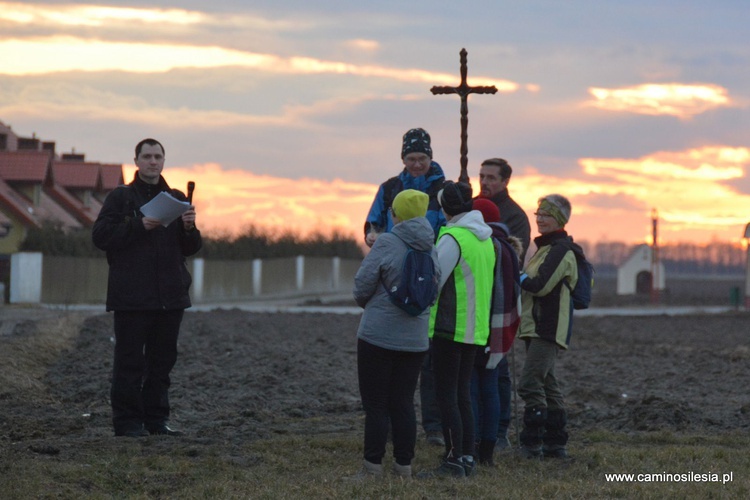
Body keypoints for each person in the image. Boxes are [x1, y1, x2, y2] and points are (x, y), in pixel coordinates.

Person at [92, 138, 202, 438]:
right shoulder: (121, 198)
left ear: (164, 161)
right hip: (131, 298)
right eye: (147, 156)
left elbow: (189, 248)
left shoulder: (177, 198)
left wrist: (190, 228)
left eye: (158, 157)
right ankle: (127, 423)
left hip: (170, 297)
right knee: (129, 363)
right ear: (137, 161)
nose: (153, 162)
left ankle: (157, 421)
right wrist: (140, 225)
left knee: (162, 364)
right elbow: (100, 236)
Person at [363, 127, 446, 447]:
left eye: (421, 158)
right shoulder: (389, 188)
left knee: (428, 357)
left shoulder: (443, 188)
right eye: (411, 158)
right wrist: (371, 235)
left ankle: (434, 425)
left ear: (430, 157)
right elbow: (372, 222)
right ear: (403, 158)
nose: (416, 164)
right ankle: (390, 420)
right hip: (394, 273)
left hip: (430, 273)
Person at [350, 189, 440, 479]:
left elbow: (361, 287)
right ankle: (404, 466)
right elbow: (433, 293)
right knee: (403, 402)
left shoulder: (387, 241)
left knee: (376, 404)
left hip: (377, 337)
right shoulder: (431, 246)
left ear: (396, 214)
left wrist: (375, 306)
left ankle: (372, 467)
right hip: (415, 341)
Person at [418, 182, 495, 479]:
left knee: (447, 395)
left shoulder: (453, 237)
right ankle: (466, 458)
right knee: (463, 394)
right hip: (475, 329)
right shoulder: (484, 238)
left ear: (445, 208)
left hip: (450, 327)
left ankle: (453, 462)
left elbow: (434, 279)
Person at [516, 194, 581, 459]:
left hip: (548, 328)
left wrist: (515, 274)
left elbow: (540, 285)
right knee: (549, 384)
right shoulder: (543, 248)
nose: (540, 219)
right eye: (538, 213)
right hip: (537, 326)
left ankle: (532, 443)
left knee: (530, 383)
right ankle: (556, 444)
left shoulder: (560, 250)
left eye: (547, 214)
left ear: (560, 220)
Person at [475, 157, 530, 452]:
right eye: (481, 176)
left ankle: (499, 430)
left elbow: (514, 260)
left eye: (491, 177)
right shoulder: (471, 206)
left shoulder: (516, 216)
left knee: (498, 370)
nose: (484, 182)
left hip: (498, 300)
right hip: (471, 299)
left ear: (506, 181)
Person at [469, 199, 522, 466]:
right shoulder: (509, 248)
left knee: (471, 388)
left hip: (476, 326)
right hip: (499, 330)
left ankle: (474, 443)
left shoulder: (482, 245)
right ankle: (489, 447)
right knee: (490, 388)